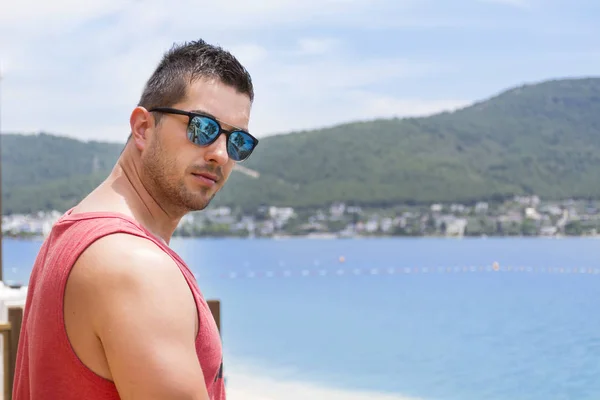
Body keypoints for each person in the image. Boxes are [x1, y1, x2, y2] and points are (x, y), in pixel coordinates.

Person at [12, 39, 258, 400]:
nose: (220, 154)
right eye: (202, 128)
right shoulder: (135, 268)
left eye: (237, 142)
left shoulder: (74, 231)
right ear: (143, 127)